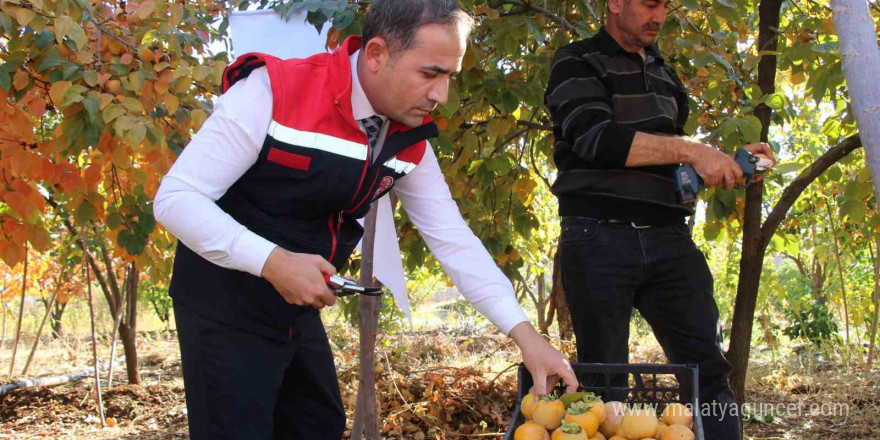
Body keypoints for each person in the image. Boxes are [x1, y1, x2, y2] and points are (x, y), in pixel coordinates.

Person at [153, 1, 577, 439]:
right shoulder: (274, 92)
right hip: (222, 302)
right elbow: (176, 198)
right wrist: (273, 263)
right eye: (429, 73)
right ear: (376, 54)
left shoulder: (408, 139)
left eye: (448, 76)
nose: (441, 95)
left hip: (295, 305)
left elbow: (452, 238)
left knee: (317, 425)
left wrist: (527, 338)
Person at [544, 0, 775, 439]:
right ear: (614, 3)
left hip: (671, 238)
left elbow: (670, 166)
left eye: (666, 5)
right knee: (604, 384)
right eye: (650, 3)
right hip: (598, 237)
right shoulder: (575, 61)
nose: (660, 16)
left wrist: (728, 162)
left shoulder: (666, 74)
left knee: (707, 372)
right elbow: (599, 140)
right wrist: (693, 150)